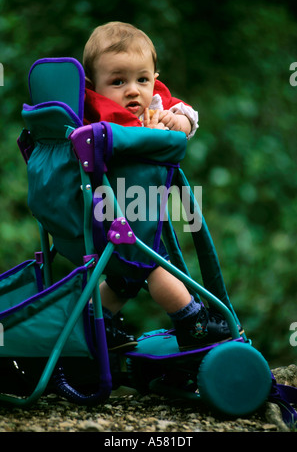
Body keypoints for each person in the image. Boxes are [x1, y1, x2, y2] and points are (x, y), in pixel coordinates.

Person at [82, 21, 232, 352]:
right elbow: (117, 141)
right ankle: (191, 321)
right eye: (118, 81)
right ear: (93, 87)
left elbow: (184, 113)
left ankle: (95, 323)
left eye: (143, 79)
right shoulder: (98, 117)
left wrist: (180, 122)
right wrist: (154, 135)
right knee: (155, 264)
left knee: (125, 278)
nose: (133, 90)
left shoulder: (153, 104)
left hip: (129, 211)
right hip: (121, 214)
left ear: (154, 77)